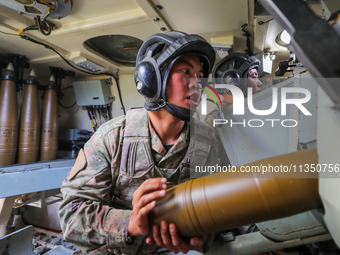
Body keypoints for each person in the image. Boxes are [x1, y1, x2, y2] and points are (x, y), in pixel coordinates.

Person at [58, 31, 219, 255]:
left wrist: (200, 234)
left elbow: (217, 207)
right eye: (185, 71)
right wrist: (129, 223)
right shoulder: (111, 138)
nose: (197, 83)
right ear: (153, 79)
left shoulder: (208, 142)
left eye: (200, 75)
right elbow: (70, 215)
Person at [204, 53, 262, 127]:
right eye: (254, 77)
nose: (260, 83)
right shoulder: (218, 119)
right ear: (236, 82)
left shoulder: (243, 113)